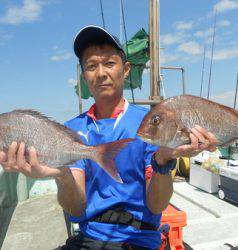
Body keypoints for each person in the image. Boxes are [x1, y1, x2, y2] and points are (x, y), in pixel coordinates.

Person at [0, 25, 218, 249]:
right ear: (84, 76)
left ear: (125, 70)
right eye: (91, 66)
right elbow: (75, 209)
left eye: (109, 63)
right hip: (88, 239)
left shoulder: (152, 125)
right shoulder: (71, 130)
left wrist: (163, 161)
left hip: (139, 240)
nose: (101, 72)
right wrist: (62, 175)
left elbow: (156, 205)